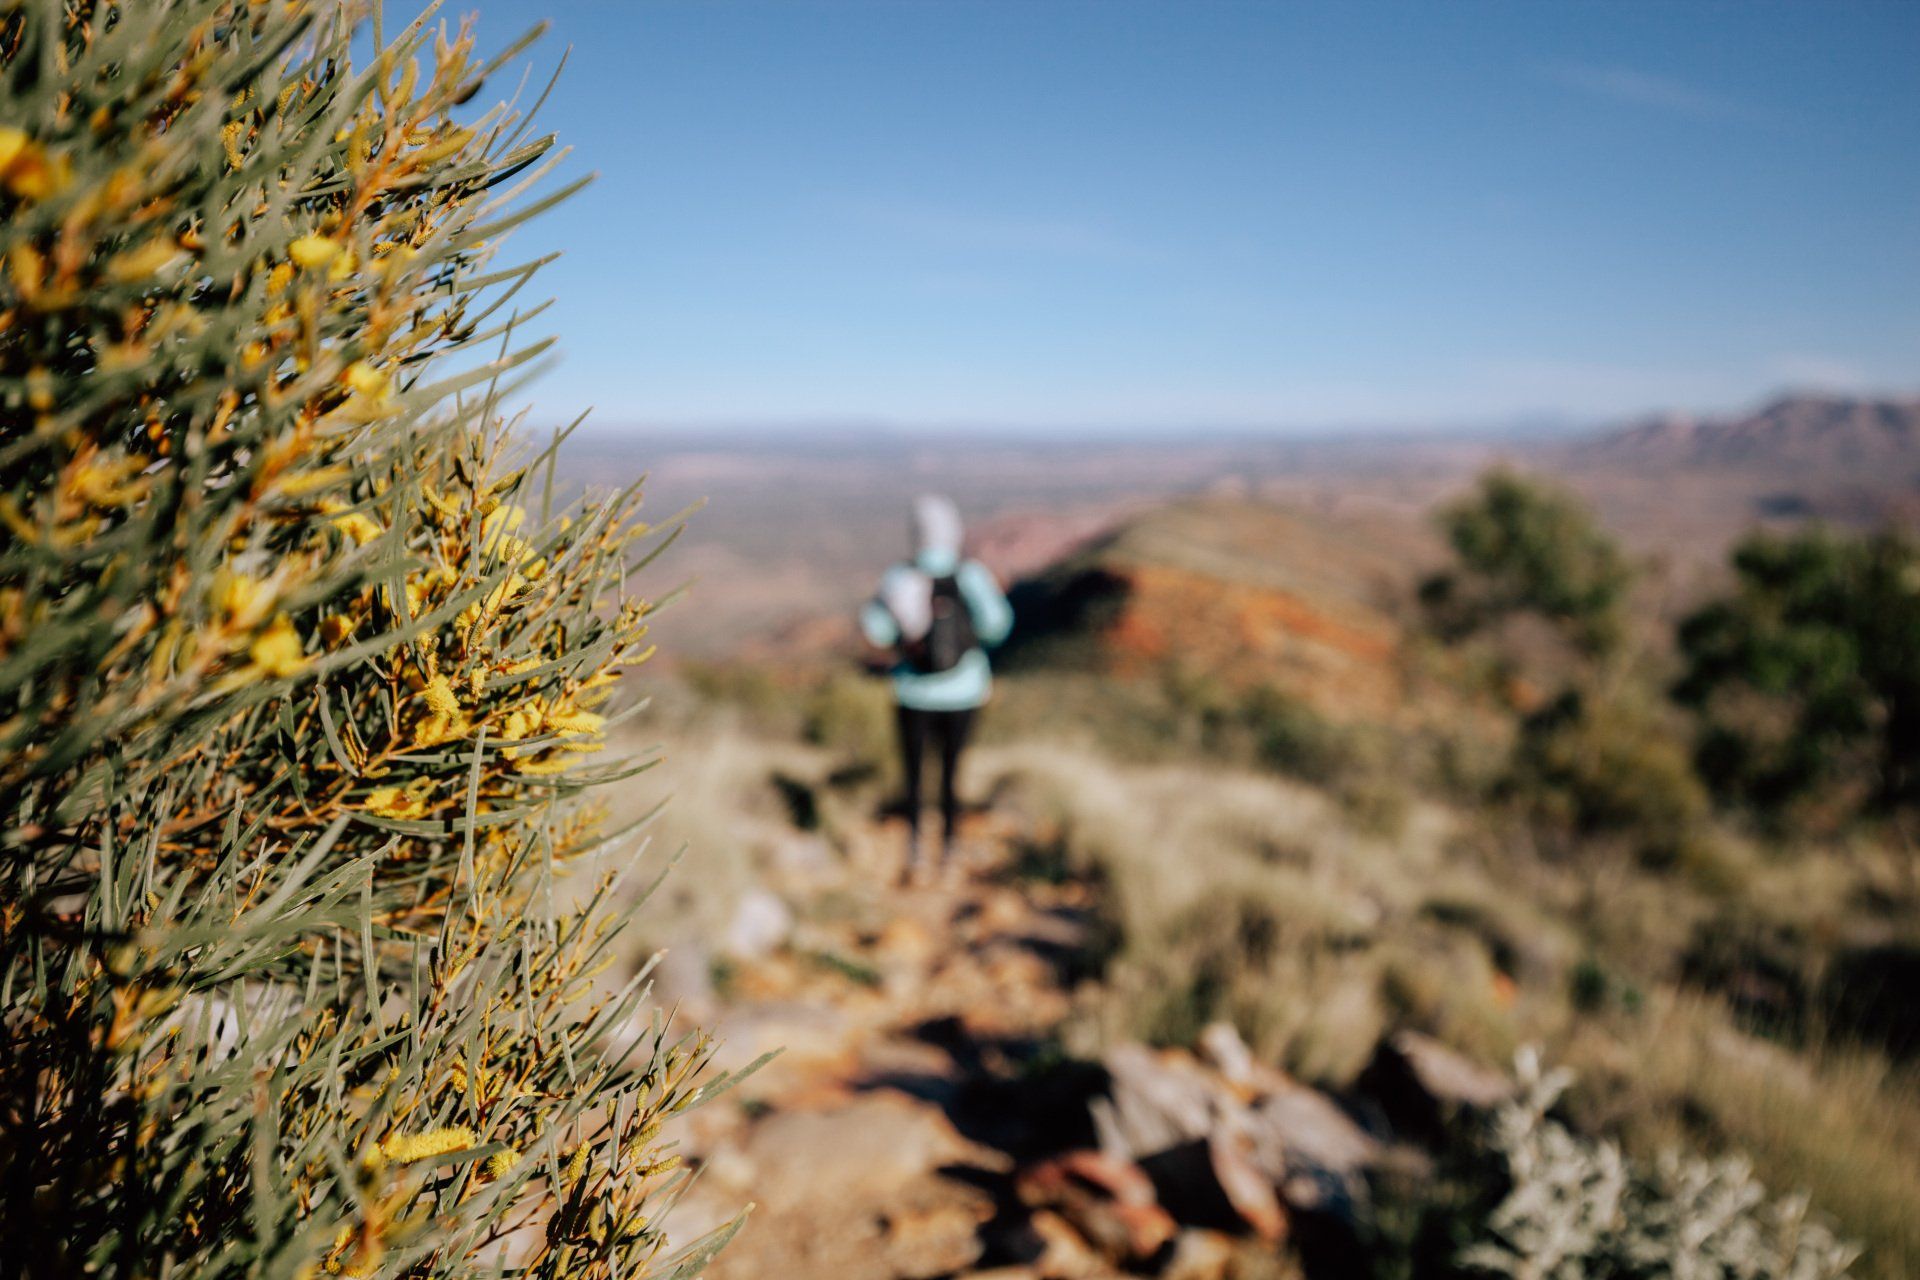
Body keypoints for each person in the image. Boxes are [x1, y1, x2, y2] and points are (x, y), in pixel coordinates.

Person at [859, 494, 1013, 882]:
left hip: (912, 690)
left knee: (914, 775)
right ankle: (948, 851)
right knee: (951, 772)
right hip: (965, 689)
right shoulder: (971, 575)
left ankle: (915, 852)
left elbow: (874, 629)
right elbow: (997, 626)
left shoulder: (900, 578)